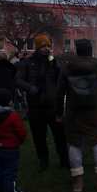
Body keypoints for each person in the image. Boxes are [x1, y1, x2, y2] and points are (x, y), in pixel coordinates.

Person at [56, 39, 97, 192]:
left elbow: (59, 93)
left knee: (74, 145)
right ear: (90, 50)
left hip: (73, 112)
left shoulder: (67, 68)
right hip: (95, 111)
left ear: (77, 50)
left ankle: (78, 185)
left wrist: (58, 113)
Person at [16, 34, 69, 171]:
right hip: (36, 105)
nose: (46, 49)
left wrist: (55, 65)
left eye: (48, 46)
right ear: (38, 47)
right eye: (43, 46)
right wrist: (30, 88)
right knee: (39, 136)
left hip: (53, 105)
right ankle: (43, 160)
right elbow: (18, 80)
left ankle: (64, 159)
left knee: (60, 135)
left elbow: (62, 77)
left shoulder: (53, 62)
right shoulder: (28, 63)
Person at [0, 88, 27, 192]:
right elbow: (21, 131)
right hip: (11, 148)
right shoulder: (12, 116)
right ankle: (10, 191)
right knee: (10, 170)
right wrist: (20, 140)